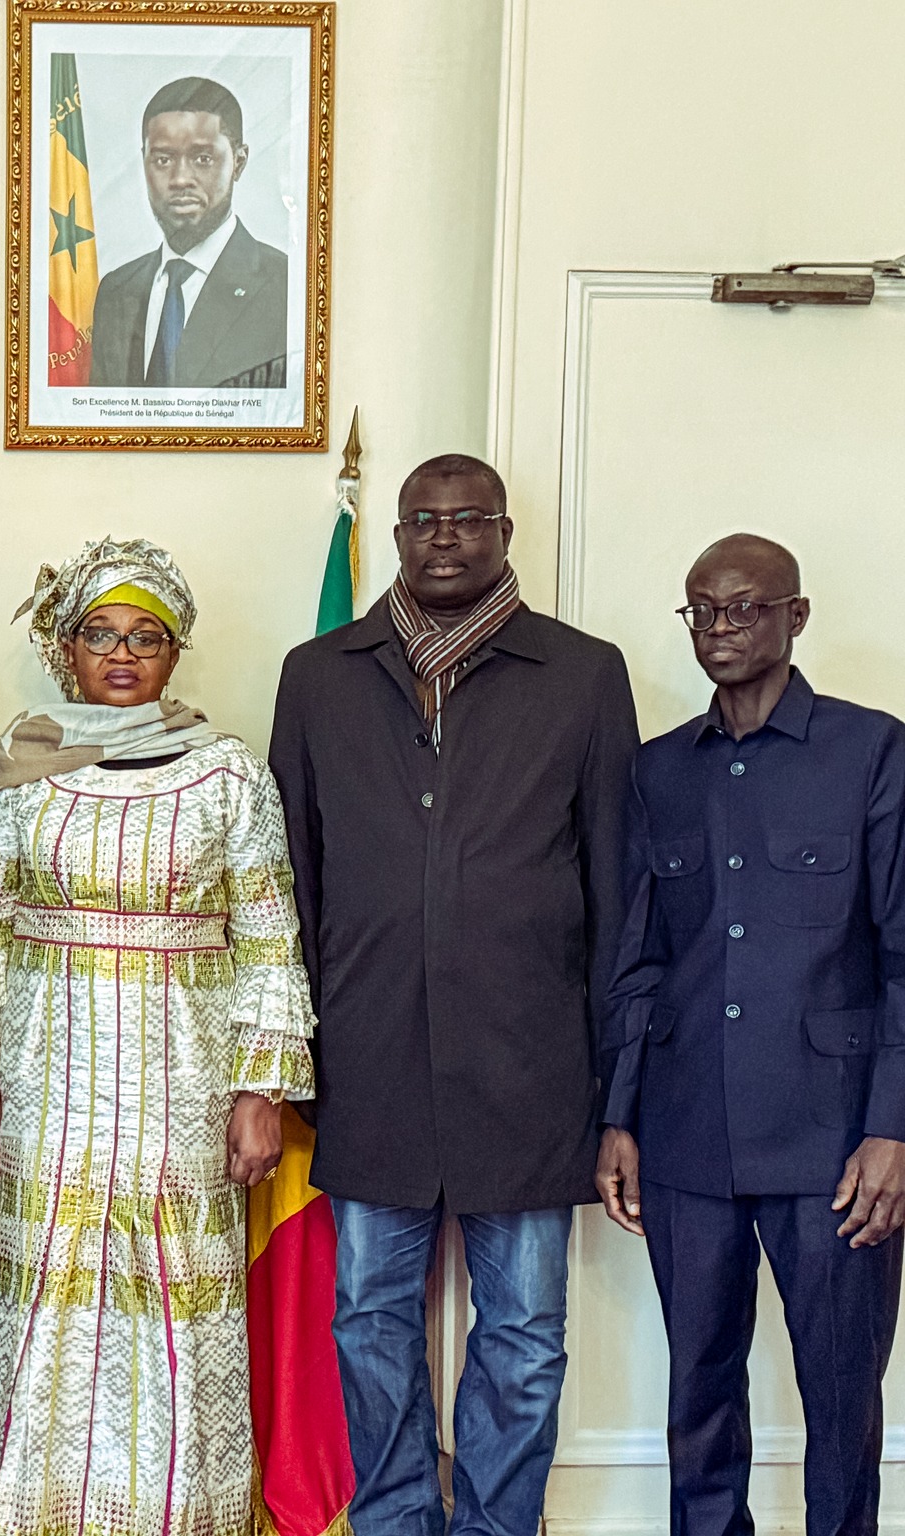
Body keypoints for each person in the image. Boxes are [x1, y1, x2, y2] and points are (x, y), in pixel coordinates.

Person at [266, 453, 639, 1536]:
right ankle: (389, 1521)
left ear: (503, 531)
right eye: (420, 519)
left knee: (523, 1334)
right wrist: (291, 1057)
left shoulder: (580, 674)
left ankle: (489, 1526)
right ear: (391, 535)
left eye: (465, 517)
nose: (442, 535)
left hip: (531, 1071)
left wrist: (614, 1085)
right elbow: (288, 878)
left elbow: (615, 887)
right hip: (367, 1062)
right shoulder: (319, 673)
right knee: (366, 1321)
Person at [0, 537, 318, 1536]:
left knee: (170, 1321)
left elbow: (269, 941)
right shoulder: (19, 767)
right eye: (99, 634)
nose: (120, 654)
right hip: (44, 1085)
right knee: (45, 1315)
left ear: (173, 651)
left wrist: (259, 1090)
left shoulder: (228, 776)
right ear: (65, 648)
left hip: (180, 1093)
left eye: (143, 637)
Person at [598, 535, 905, 1536]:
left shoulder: (871, 752)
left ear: (793, 617)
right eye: (700, 610)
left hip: (832, 1142)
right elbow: (635, 962)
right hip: (685, 1134)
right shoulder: (655, 772)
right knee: (696, 1396)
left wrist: (890, 1130)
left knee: (839, 1399)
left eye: (741, 607)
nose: (719, 628)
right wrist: (618, 1118)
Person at [88, 76, 288, 390]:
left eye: (202, 159)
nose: (180, 178)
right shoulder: (116, 291)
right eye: (163, 159)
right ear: (144, 161)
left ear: (239, 162)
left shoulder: (285, 286)